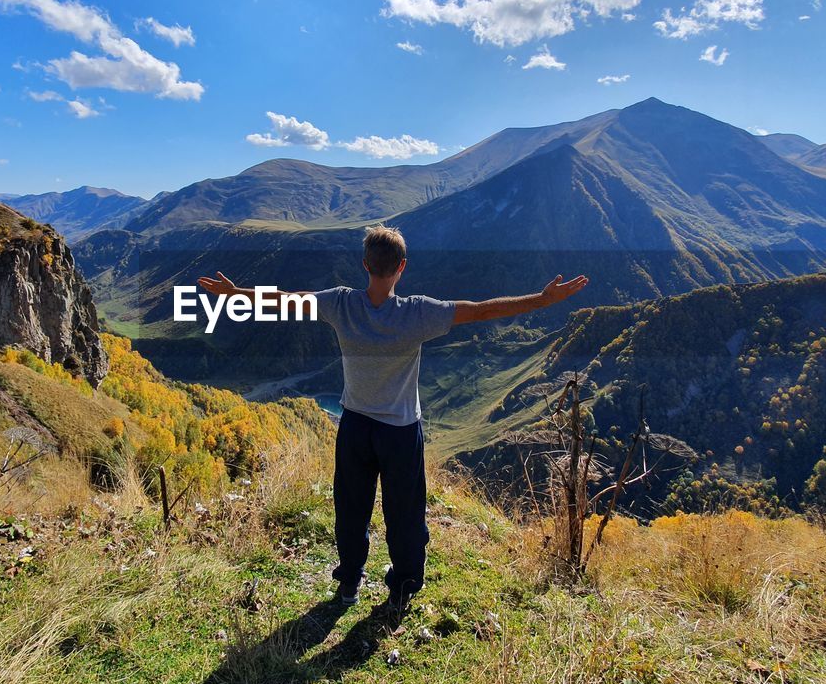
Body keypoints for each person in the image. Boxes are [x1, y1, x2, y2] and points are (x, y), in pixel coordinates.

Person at [197, 225, 587, 616]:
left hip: (354, 427)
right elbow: (484, 309)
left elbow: (284, 300)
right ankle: (402, 588)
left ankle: (349, 582)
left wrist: (236, 294)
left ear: (364, 264)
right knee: (404, 514)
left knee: (351, 508)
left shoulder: (340, 304)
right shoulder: (419, 312)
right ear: (402, 266)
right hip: (400, 431)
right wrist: (542, 299)